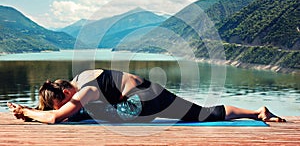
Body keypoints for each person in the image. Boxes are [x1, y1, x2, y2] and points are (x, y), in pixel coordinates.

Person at [7, 69, 286, 124]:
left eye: (64, 100)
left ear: (66, 91)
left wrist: (30, 114)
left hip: (144, 100)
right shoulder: (79, 79)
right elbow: (57, 111)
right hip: (145, 94)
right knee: (202, 113)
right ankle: (258, 111)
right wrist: (29, 110)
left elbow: (56, 117)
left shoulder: (86, 90)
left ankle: (256, 112)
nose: (65, 104)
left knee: (201, 115)